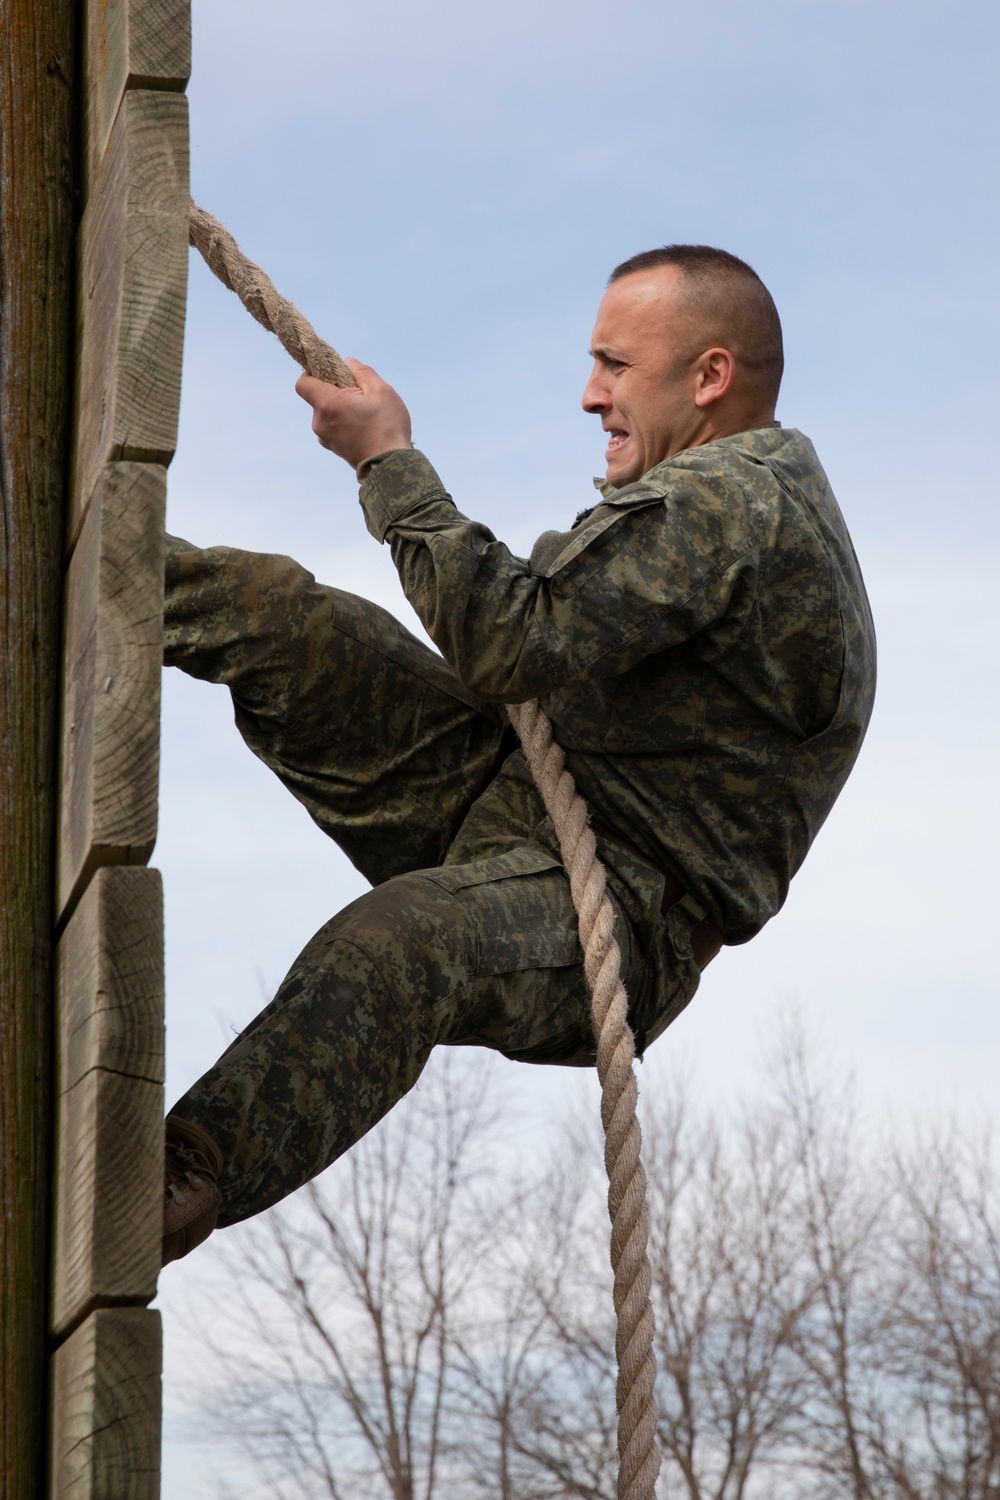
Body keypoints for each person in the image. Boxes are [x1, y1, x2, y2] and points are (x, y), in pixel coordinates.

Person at [162, 245, 876, 1265]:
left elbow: (510, 637)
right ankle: (55, 574)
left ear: (709, 377)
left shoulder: (739, 502)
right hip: (504, 791)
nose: (590, 396)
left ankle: (169, 1180)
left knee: (399, 946)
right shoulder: (731, 498)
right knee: (270, 615)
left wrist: (387, 460)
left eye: (615, 366)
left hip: (616, 913)